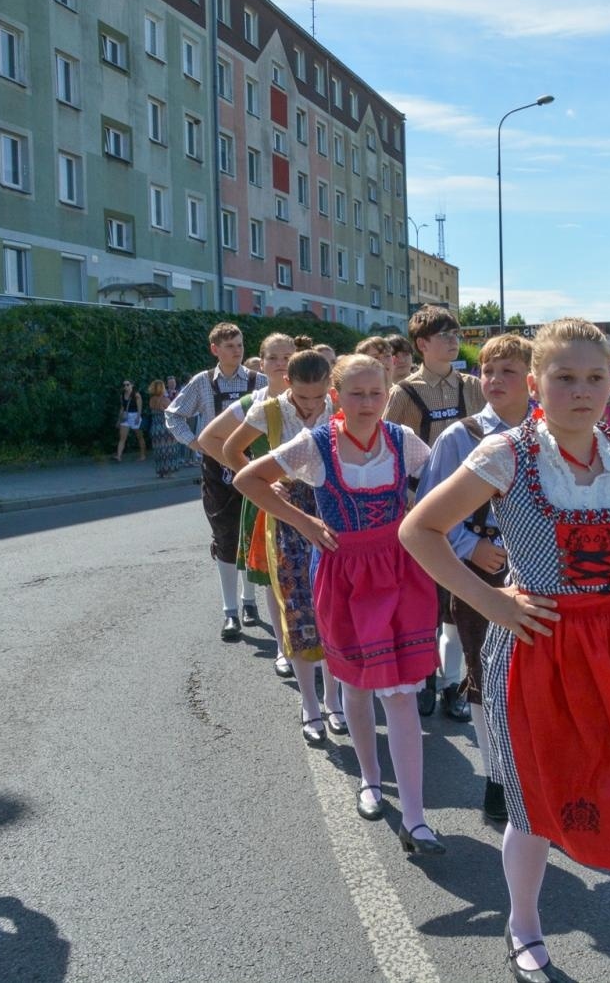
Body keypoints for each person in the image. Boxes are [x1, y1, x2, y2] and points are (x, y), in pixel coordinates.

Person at [401, 318, 610, 983]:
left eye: (595, 377)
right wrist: (494, 603)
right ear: (536, 384)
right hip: (537, 643)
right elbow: (419, 530)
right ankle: (524, 922)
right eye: (564, 377)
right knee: (535, 803)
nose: (582, 390)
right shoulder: (507, 453)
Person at [234, 355, 442, 849]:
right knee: (355, 683)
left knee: (402, 692)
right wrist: (303, 522)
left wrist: (421, 522)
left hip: (398, 571)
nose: (367, 403)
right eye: (356, 394)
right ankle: (370, 780)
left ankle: (414, 815)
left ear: (388, 393)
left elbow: (440, 485)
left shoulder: (402, 441)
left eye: (376, 393)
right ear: (336, 397)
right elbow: (248, 479)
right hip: (343, 571)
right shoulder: (317, 443)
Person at [413, 333, 534, 818]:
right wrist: (471, 544)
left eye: (508, 371)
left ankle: (535, 768)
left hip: (541, 577)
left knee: (535, 675)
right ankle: (496, 777)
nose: (495, 380)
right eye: (487, 370)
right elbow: (427, 509)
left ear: (531, 377)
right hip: (482, 575)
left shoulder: (547, 432)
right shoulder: (461, 436)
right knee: (487, 676)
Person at [223, 344, 339, 744]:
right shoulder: (269, 409)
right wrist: (265, 481)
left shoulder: (338, 407)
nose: (310, 407)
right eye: (302, 397)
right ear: (287, 382)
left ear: (329, 385)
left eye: (318, 397)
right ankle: (309, 704)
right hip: (287, 514)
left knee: (334, 607)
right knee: (296, 607)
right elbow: (229, 449)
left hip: (332, 508)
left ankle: (334, 698)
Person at [385, 305, 486, 718]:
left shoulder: (474, 387)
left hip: (470, 507)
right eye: (443, 334)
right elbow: (390, 450)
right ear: (421, 344)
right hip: (422, 509)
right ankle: (425, 675)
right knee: (424, 600)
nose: (452, 339)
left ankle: (453, 685)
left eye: (455, 333)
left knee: (458, 599)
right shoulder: (404, 393)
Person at [165, 322, 268, 642]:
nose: (236, 350)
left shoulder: (259, 381)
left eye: (239, 344)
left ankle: (249, 602)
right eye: (229, 346)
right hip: (216, 470)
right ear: (215, 350)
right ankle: (230, 612)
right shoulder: (202, 383)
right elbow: (173, 414)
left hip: (253, 464)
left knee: (251, 533)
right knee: (225, 536)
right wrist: (195, 443)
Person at [199, 333, 295, 661]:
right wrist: (251, 473)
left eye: (287, 357)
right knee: (275, 577)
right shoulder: (254, 402)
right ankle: (285, 649)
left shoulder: (314, 396)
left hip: (312, 497)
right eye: (273, 358)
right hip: (270, 498)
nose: (281, 364)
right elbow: (210, 438)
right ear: (262, 363)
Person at [146, 380, 180, 477]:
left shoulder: (152, 400)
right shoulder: (165, 399)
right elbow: (171, 412)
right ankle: (168, 471)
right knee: (169, 449)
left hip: (156, 427)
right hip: (165, 427)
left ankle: (160, 471)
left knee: (159, 450)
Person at [114, 380, 146, 462]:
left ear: (132, 385)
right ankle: (119, 456)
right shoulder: (122, 395)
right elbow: (122, 408)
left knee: (139, 437)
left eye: (127, 385)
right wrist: (119, 419)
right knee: (122, 437)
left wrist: (138, 417)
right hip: (125, 416)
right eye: (124, 385)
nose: (125, 386)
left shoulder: (136, 395)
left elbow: (140, 407)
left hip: (135, 415)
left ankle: (143, 455)